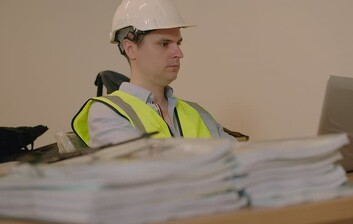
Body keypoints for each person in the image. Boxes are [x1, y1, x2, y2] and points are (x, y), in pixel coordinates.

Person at [72, 0, 233, 148]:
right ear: (130, 49)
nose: (179, 53)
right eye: (164, 43)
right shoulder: (108, 112)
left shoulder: (198, 113)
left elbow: (242, 165)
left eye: (178, 43)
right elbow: (142, 174)